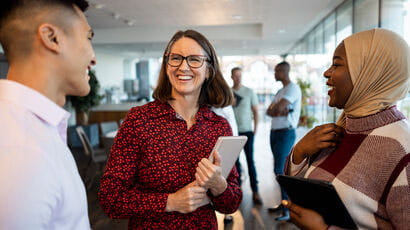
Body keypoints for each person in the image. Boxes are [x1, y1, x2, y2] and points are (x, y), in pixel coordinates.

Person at [98, 30, 242, 229]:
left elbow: (232, 203)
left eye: (194, 59)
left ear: (209, 69)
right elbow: (110, 198)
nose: (183, 66)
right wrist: (170, 202)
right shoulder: (139, 120)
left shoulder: (219, 126)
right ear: (166, 66)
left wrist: (219, 185)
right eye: (175, 58)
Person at [282, 28, 410, 229]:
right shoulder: (340, 129)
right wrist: (299, 153)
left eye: (337, 64)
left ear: (369, 72)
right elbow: (304, 189)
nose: (326, 73)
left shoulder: (402, 149)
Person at [0, 0, 96, 229]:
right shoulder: (20, 149)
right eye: (88, 37)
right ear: (52, 38)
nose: (93, 58)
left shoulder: (32, 130)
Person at [266, 61, 301, 220]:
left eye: (276, 71)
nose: (274, 74)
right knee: (277, 169)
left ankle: (289, 209)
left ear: (283, 71)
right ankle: (284, 202)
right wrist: (277, 110)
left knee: (282, 170)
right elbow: (269, 111)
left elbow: (278, 109)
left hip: (285, 133)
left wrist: (278, 109)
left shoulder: (293, 88)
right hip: (275, 132)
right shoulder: (281, 91)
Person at [231, 67, 262, 205]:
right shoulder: (228, 93)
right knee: (235, 164)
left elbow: (255, 111)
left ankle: (255, 191)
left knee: (250, 161)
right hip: (232, 133)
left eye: (240, 76)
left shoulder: (249, 92)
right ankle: (237, 193)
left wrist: (255, 128)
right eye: (235, 76)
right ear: (232, 77)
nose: (238, 78)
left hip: (247, 131)